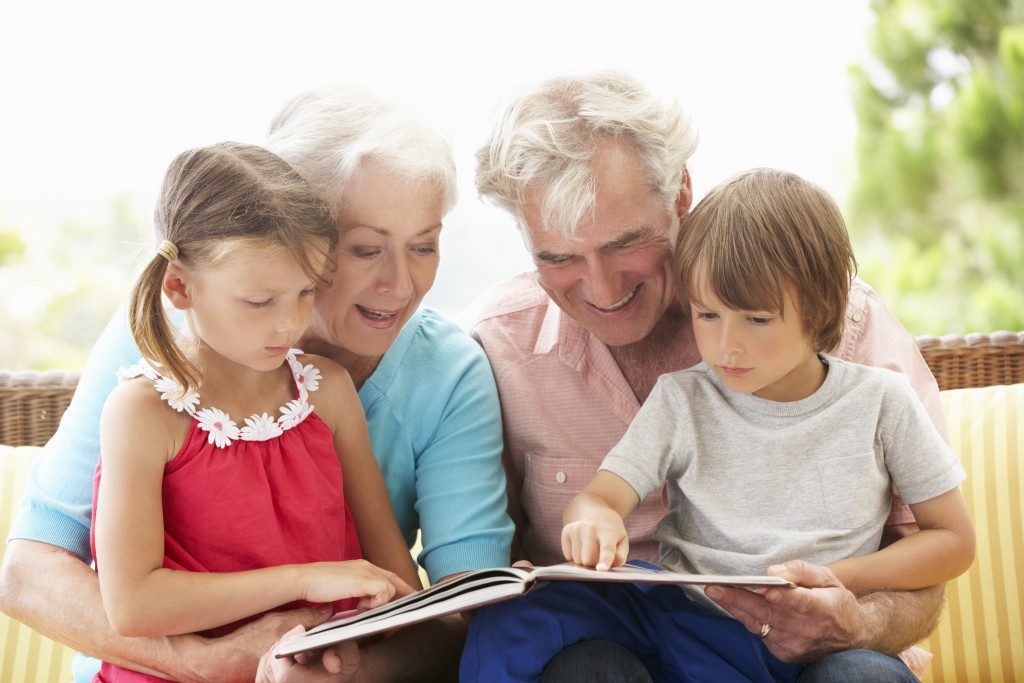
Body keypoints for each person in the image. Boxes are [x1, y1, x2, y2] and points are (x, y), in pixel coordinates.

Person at [1, 87, 514, 682]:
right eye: (366, 249)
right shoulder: (158, 353)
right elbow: (30, 574)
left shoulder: (407, 381)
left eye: (424, 246)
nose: (399, 283)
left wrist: (339, 673)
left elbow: (455, 618)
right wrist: (209, 663)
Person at [461, 71, 950, 679]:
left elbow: (933, 558)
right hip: (629, 643)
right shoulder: (499, 347)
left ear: (681, 193)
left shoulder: (845, 325)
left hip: (815, 656)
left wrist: (856, 619)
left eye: (625, 243)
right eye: (558, 258)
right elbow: (483, 576)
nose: (602, 288)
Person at [92, 141, 420, 681]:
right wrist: (306, 581)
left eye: (304, 293)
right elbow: (132, 604)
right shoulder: (142, 413)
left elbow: (394, 581)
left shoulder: (326, 392)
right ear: (179, 286)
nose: (289, 324)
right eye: (259, 302)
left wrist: (357, 648)